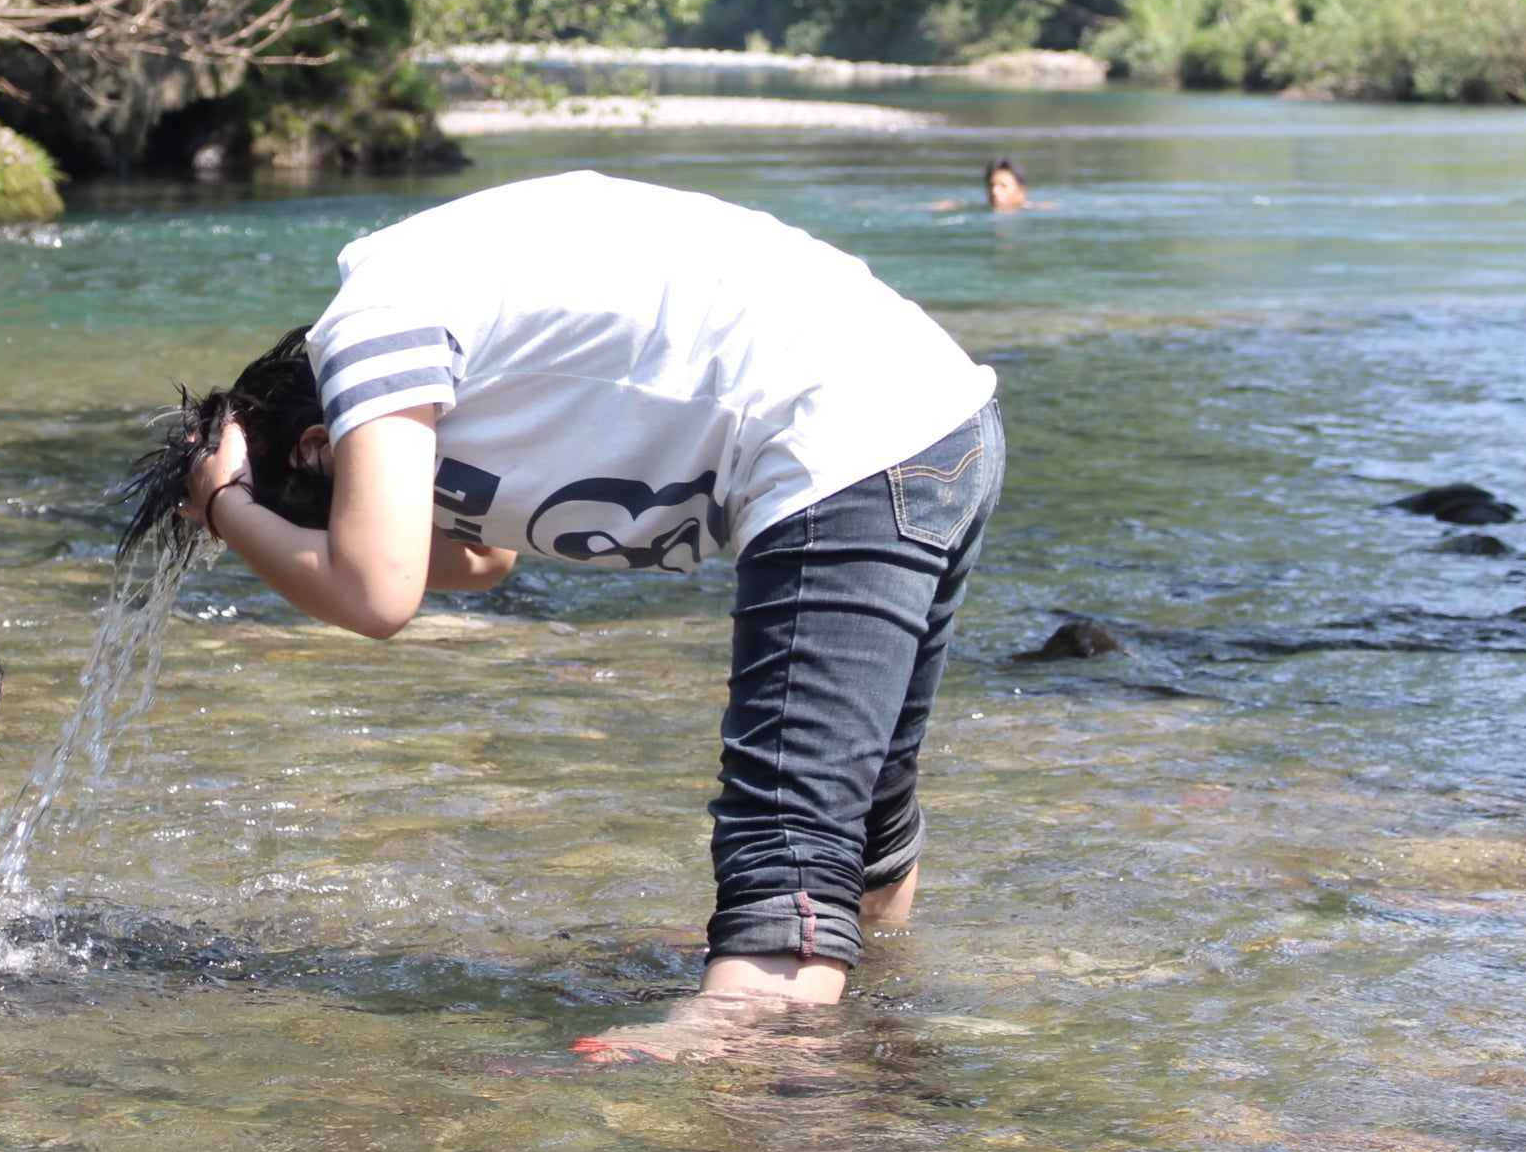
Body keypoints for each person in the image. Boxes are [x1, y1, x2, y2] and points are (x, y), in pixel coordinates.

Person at [119, 171, 1000, 1056]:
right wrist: (248, 511)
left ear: (316, 449)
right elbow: (479, 562)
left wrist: (228, 504)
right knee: (864, 794)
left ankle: (755, 1028)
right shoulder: (419, 348)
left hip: (842, 431)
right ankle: (876, 1009)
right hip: (932, 417)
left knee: (787, 811)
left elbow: (376, 591)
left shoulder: (368, 328)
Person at [928, 158, 1032, 213]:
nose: (995, 191)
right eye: (991, 185)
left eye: (1003, 186)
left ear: (1021, 192)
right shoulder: (980, 209)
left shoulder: (1031, 210)